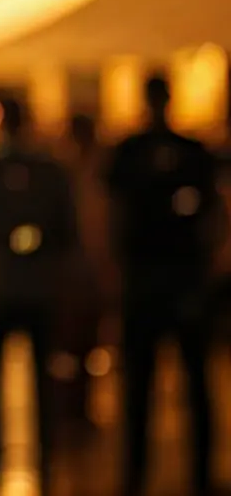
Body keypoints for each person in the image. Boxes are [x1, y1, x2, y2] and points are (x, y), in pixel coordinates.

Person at [105, 76, 222, 496]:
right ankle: (141, 475)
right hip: (153, 280)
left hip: (174, 280)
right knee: (143, 389)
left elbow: (211, 218)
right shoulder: (133, 153)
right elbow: (114, 216)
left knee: (185, 385)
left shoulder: (185, 153)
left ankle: (192, 475)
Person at [0, 98, 75, 494]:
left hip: (15, 288)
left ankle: (16, 452)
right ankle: (28, 452)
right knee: (29, 376)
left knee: (20, 375)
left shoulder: (2, 172)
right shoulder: (38, 172)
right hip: (24, 288)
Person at [58, 114, 109, 439]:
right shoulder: (69, 174)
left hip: (88, 275)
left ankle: (78, 410)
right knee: (72, 348)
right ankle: (72, 411)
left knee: (85, 347)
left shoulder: (92, 174)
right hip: (75, 276)